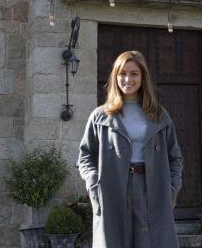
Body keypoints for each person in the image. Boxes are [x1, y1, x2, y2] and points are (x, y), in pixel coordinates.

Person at [77, 50, 183, 248]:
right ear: (115, 76)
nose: (128, 79)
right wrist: (94, 184)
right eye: (122, 73)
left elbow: (175, 157)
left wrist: (172, 189)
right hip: (112, 188)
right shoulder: (100, 116)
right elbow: (85, 156)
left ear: (143, 77)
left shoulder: (160, 116)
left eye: (134, 73)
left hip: (151, 187)